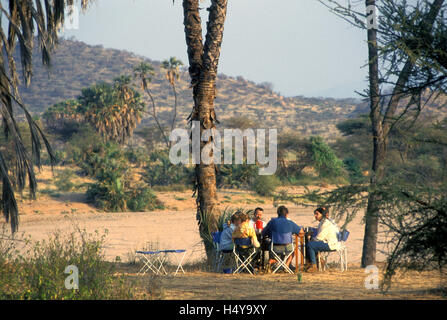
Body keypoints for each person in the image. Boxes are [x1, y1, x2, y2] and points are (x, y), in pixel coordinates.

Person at [261, 206, 304, 272]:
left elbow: (263, 233)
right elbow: (301, 232)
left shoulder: (272, 222)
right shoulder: (290, 222)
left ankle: (270, 262)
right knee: (293, 250)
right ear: (287, 214)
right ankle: (286, 265)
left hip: (274, 248)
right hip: (288, 248)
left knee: (271, 248)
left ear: (277, 213)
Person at [305, 207, 340, 273]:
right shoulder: (322, 222)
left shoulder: (325, 223)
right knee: (311, 244)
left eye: (317, 214)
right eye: (315, 214)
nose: (315, 216)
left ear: (322, 214)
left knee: (310, 245)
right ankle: (318, 261)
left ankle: (314, 265)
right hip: (327, 242)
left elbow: (319, 237)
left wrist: (311, 238)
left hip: (330, 244)